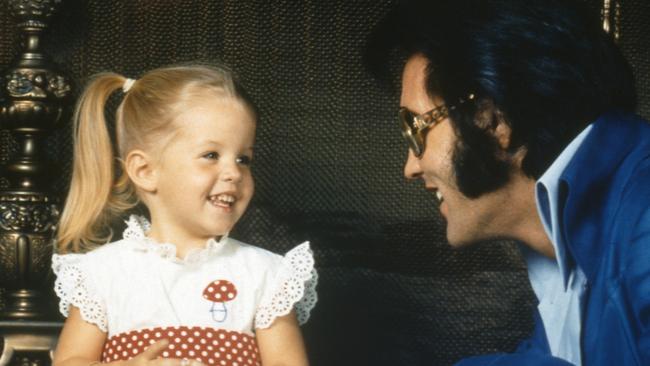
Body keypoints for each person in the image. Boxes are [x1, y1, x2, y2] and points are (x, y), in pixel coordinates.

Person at [367, 0, 649, 364]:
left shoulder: (643, 220)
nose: (410, 167)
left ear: (491, 118)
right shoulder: (570, 247)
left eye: (415, 130)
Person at [51, 65, 317, 366]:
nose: (234, 173)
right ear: (146, 171)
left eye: (244, 159)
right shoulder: (103, 272)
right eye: (211, 155)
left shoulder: (265, 274)